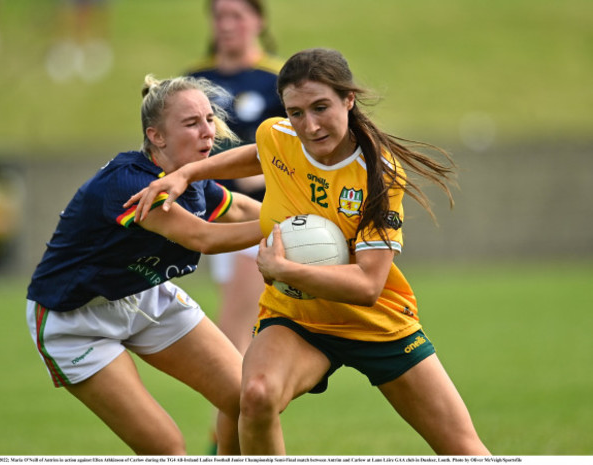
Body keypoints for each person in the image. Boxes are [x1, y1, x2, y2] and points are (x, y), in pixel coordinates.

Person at [125, 48, 490, 456]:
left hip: (375, 323)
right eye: (296, 112)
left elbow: (369, 284)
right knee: (256, 395)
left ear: (348, 99)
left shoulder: (378, 174)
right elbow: (260, 154)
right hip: (296, 317)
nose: (310, 126)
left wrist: (284, 269)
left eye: (321, 108)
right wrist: (185, 173)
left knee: (462, 448)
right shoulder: (279, 135)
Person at [26, 75, 263, 455]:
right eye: (192, 123)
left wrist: (300, 214)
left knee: (243, 398)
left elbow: (238, 208)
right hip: (76, 322)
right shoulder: (127, 185)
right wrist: (289, 226)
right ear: (157, 137)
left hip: (145, 295)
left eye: (208, 119)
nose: (208, 132)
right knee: (167, 449)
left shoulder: (191, 176)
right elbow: (204, 237)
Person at [185, 0, 284, 358]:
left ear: (259, 20)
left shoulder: (277, 79)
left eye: (237, 15)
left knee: (233, 330)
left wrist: (263, 174)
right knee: (242, 330)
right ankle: (254, 409)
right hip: (211, 215)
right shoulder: (194, 81)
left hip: (258, 214)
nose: (227, 24)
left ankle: (238, 408)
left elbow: (303, 144)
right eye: (219, 15)